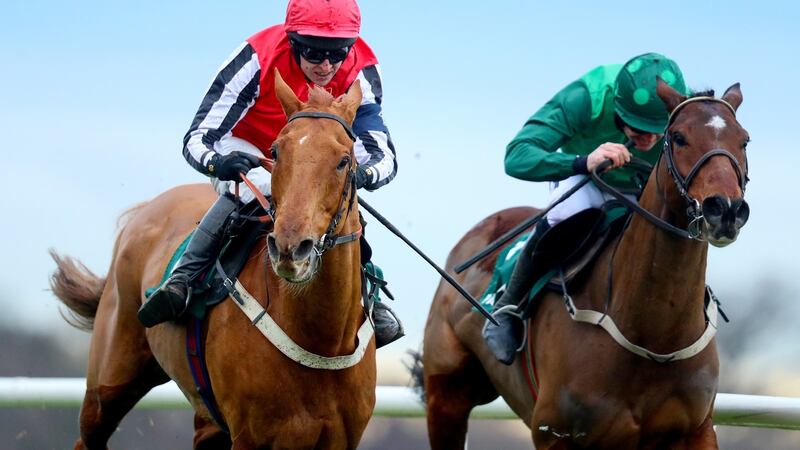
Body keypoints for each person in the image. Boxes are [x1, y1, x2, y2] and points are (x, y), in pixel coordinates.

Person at [138, 0, 403, 347]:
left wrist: (364, 175)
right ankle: (184, 278)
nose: (326, 65)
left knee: (340, 196)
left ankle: (369, 291)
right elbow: (199, 136)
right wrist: (220, 163)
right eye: (313, 53)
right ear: (292, 41)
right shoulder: (256, 58)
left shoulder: (363, 69)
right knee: (256, 187)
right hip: (248, 148)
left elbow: (381, 151)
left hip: (314, 159)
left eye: (336, 54)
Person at [483, 53, 687, 364]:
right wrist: (582, 161)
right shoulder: (585, 97)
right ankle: (509, 307)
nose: (648, 138)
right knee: (566, 212)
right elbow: (517, 156)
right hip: (586, 179)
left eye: (657, 130)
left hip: (645, 191)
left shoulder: (684, 115)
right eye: (636, 128)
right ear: (617, 108)